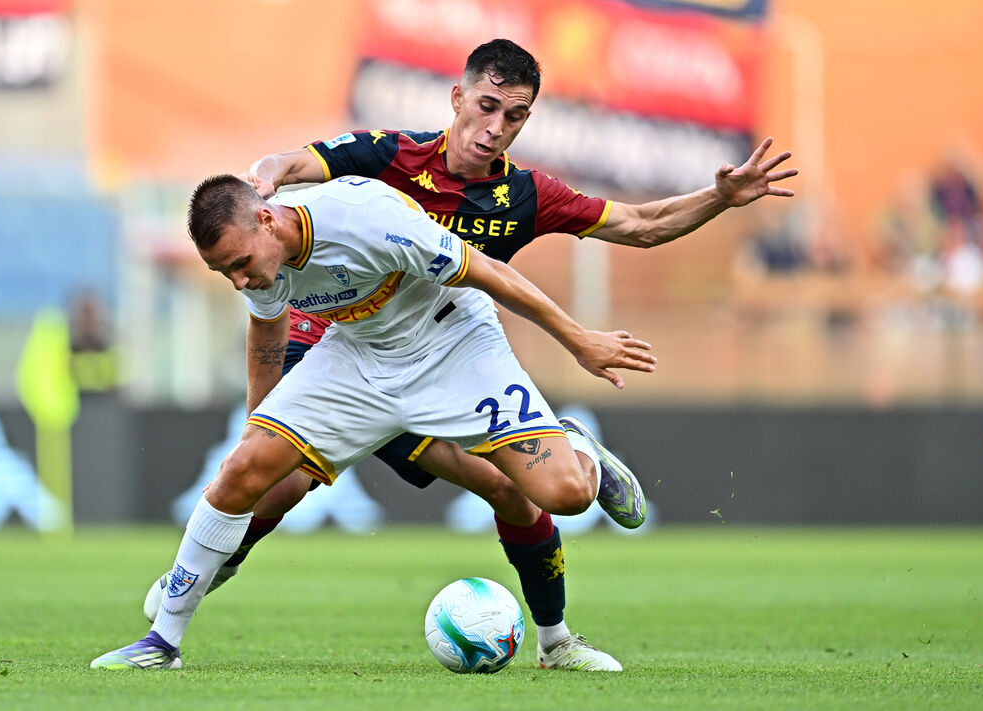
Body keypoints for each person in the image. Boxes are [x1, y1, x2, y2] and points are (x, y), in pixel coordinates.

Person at [141, 38, 798, 672]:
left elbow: (640, 226)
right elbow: (287, 167)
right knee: (272, 483)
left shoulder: (524, 195)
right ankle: (195, 582)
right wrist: (262, 177)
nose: (495, 127)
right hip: (338, 349)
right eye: (487, 107)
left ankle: (557, 634)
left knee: (510, 491)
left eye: (514, 116)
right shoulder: (385, 157)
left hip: (447, 348)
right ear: (456, 98)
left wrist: (717, 196)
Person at [91, 172, 657, 670]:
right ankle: (161, 642)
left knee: (563, 495)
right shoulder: (261, 266)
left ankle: (558, 620)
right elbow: (267, 330)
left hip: (453, 345)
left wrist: (580, 341)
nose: (240, 281)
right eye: (225, 274)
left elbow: (485, 272)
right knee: (242, 472)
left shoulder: (368, 221)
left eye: (240, 265)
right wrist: (257, 427)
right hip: (358, 358)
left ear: (267, 219)